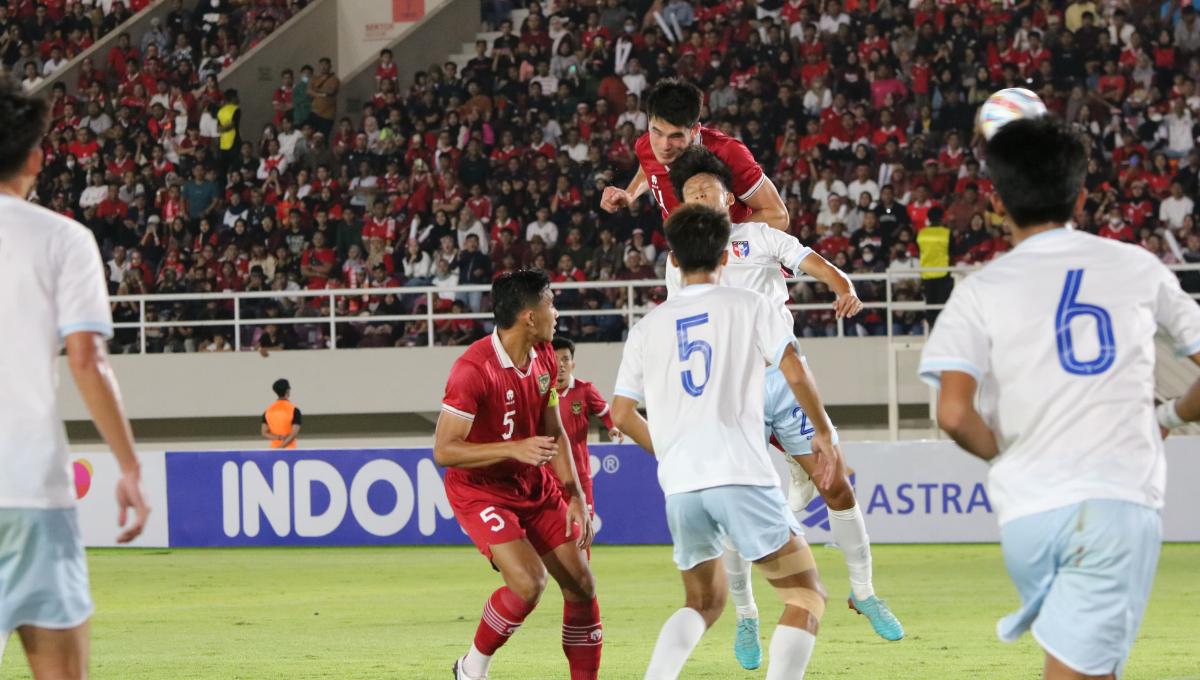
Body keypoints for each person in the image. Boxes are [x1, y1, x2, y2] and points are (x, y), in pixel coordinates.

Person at [919, 118, 1200, 680]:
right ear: (1082, 194)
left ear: (996, 201)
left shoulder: (980, 289)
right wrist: (1167, 415)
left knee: (1093, 664)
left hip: (1026, 516)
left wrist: (1008, 454)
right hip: (1112, 505)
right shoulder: (1137, 266)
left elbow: (952, 413)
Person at [665, 147, 903, 666]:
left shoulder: (761, 238)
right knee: (733, 511)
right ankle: (747, 616)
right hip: (728, 393)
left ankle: (862, 592)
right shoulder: (679, 262)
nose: (701, 198)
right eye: (691, 195)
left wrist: (842, 283)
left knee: (835, 481)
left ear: (730, 199)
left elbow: (812, 261)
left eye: (709, 190)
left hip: (780, 379)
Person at [612, 204, 838, 680]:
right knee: (805, 595)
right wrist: (821, 430)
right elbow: (793, 368)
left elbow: (621, 415)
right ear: (723, 258)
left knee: (702, 602)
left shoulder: (647, 327)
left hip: (680, 486)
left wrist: (671, 451)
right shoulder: (751, 306)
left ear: (672, 261)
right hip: (740, 474)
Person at [0, 77, 149, 679]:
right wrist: (131, 468)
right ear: (37, 156)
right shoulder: (63, 240)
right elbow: (87, 361)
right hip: (33, 489)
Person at [435, 270, 602, 680]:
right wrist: (514, 448)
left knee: (582, 586)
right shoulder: (472, 369)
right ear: (529, 316)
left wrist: (575, 495)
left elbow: (554, 430)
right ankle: (472, 668)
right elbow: (445, 449)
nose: (556, 312)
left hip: (533, 485)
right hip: (481, 490)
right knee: (529, 583)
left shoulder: (544, 355)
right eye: (551, 303)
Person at [600, 79, 790, 231]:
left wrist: (715, 240)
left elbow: (777, 215)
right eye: (657, 132)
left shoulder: (727, 153)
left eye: (675, 136)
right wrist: (630, 194)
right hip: (690, 264)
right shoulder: (645, 145)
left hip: (742, 266)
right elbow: (648, 168)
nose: (663, 146)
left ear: (694, 130)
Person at [551, 337, 622, 522]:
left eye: (565, 359)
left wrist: (612, 427)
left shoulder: (585, 390)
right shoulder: (539, 392)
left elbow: (606, 412)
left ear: (572, 364)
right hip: (549, 476)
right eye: (555, 358)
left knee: (582, 530)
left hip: (579, 475)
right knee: (552, 535)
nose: (560, 364)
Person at [917, 206, 953, 326]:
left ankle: (931, 330)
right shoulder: (947, 233)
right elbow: (953, 251)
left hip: (926, 274)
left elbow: (918, 251)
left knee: (930, 307)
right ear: (942, 218)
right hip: (943, 274)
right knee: (942, 307)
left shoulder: (921, 233)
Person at [261, 378, 302, 449]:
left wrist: (278, 437)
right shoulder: (294, 410)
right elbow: (293, 434)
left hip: (273, 449)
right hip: (290, 450)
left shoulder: (267, 411)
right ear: (288, 390)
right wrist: (281, 448)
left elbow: (264, 432)